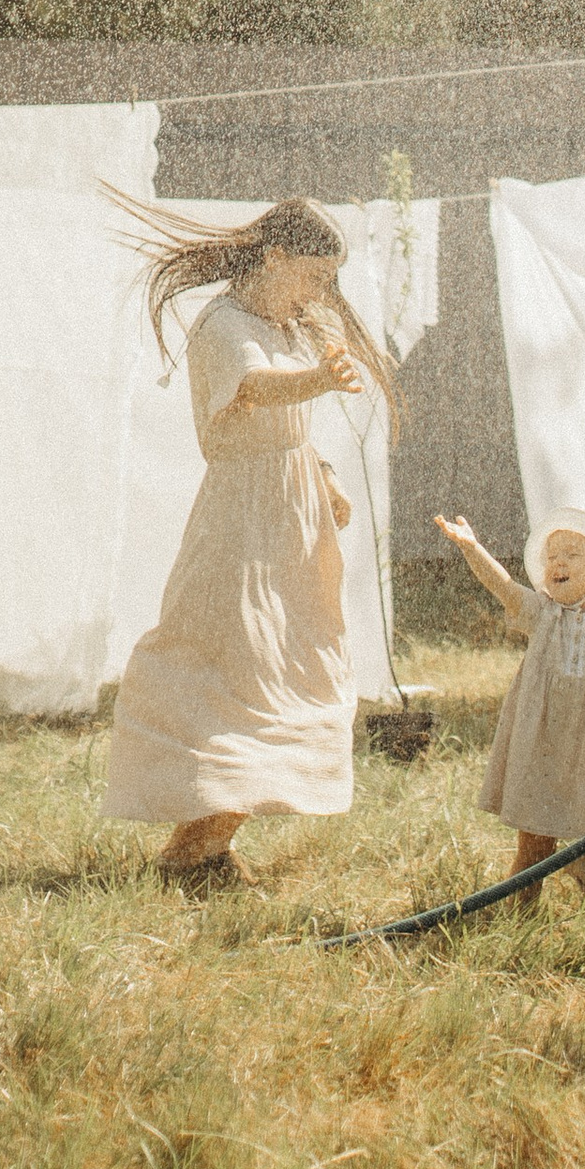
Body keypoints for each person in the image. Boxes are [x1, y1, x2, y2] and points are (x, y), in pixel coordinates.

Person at [104, 197, 399, 886]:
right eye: (313, 276)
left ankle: (202, 847)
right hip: (243, 523)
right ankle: (192, 851)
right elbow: (255, 390)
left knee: (291, 674)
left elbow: (286, 430)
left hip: (290, 518)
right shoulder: (225, 324)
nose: (319, 293)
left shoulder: (279, 324)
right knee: (246, 679)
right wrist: (319, 379)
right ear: (274, 257)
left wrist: (323, 474)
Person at [434, 504, 585, 899]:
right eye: (552, 555)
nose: (558, 562)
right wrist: (473, 548)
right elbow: (504, 586)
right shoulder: (541, 613)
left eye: (573, 554)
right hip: (544, 744)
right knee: (534, 849)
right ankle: (522, 916)